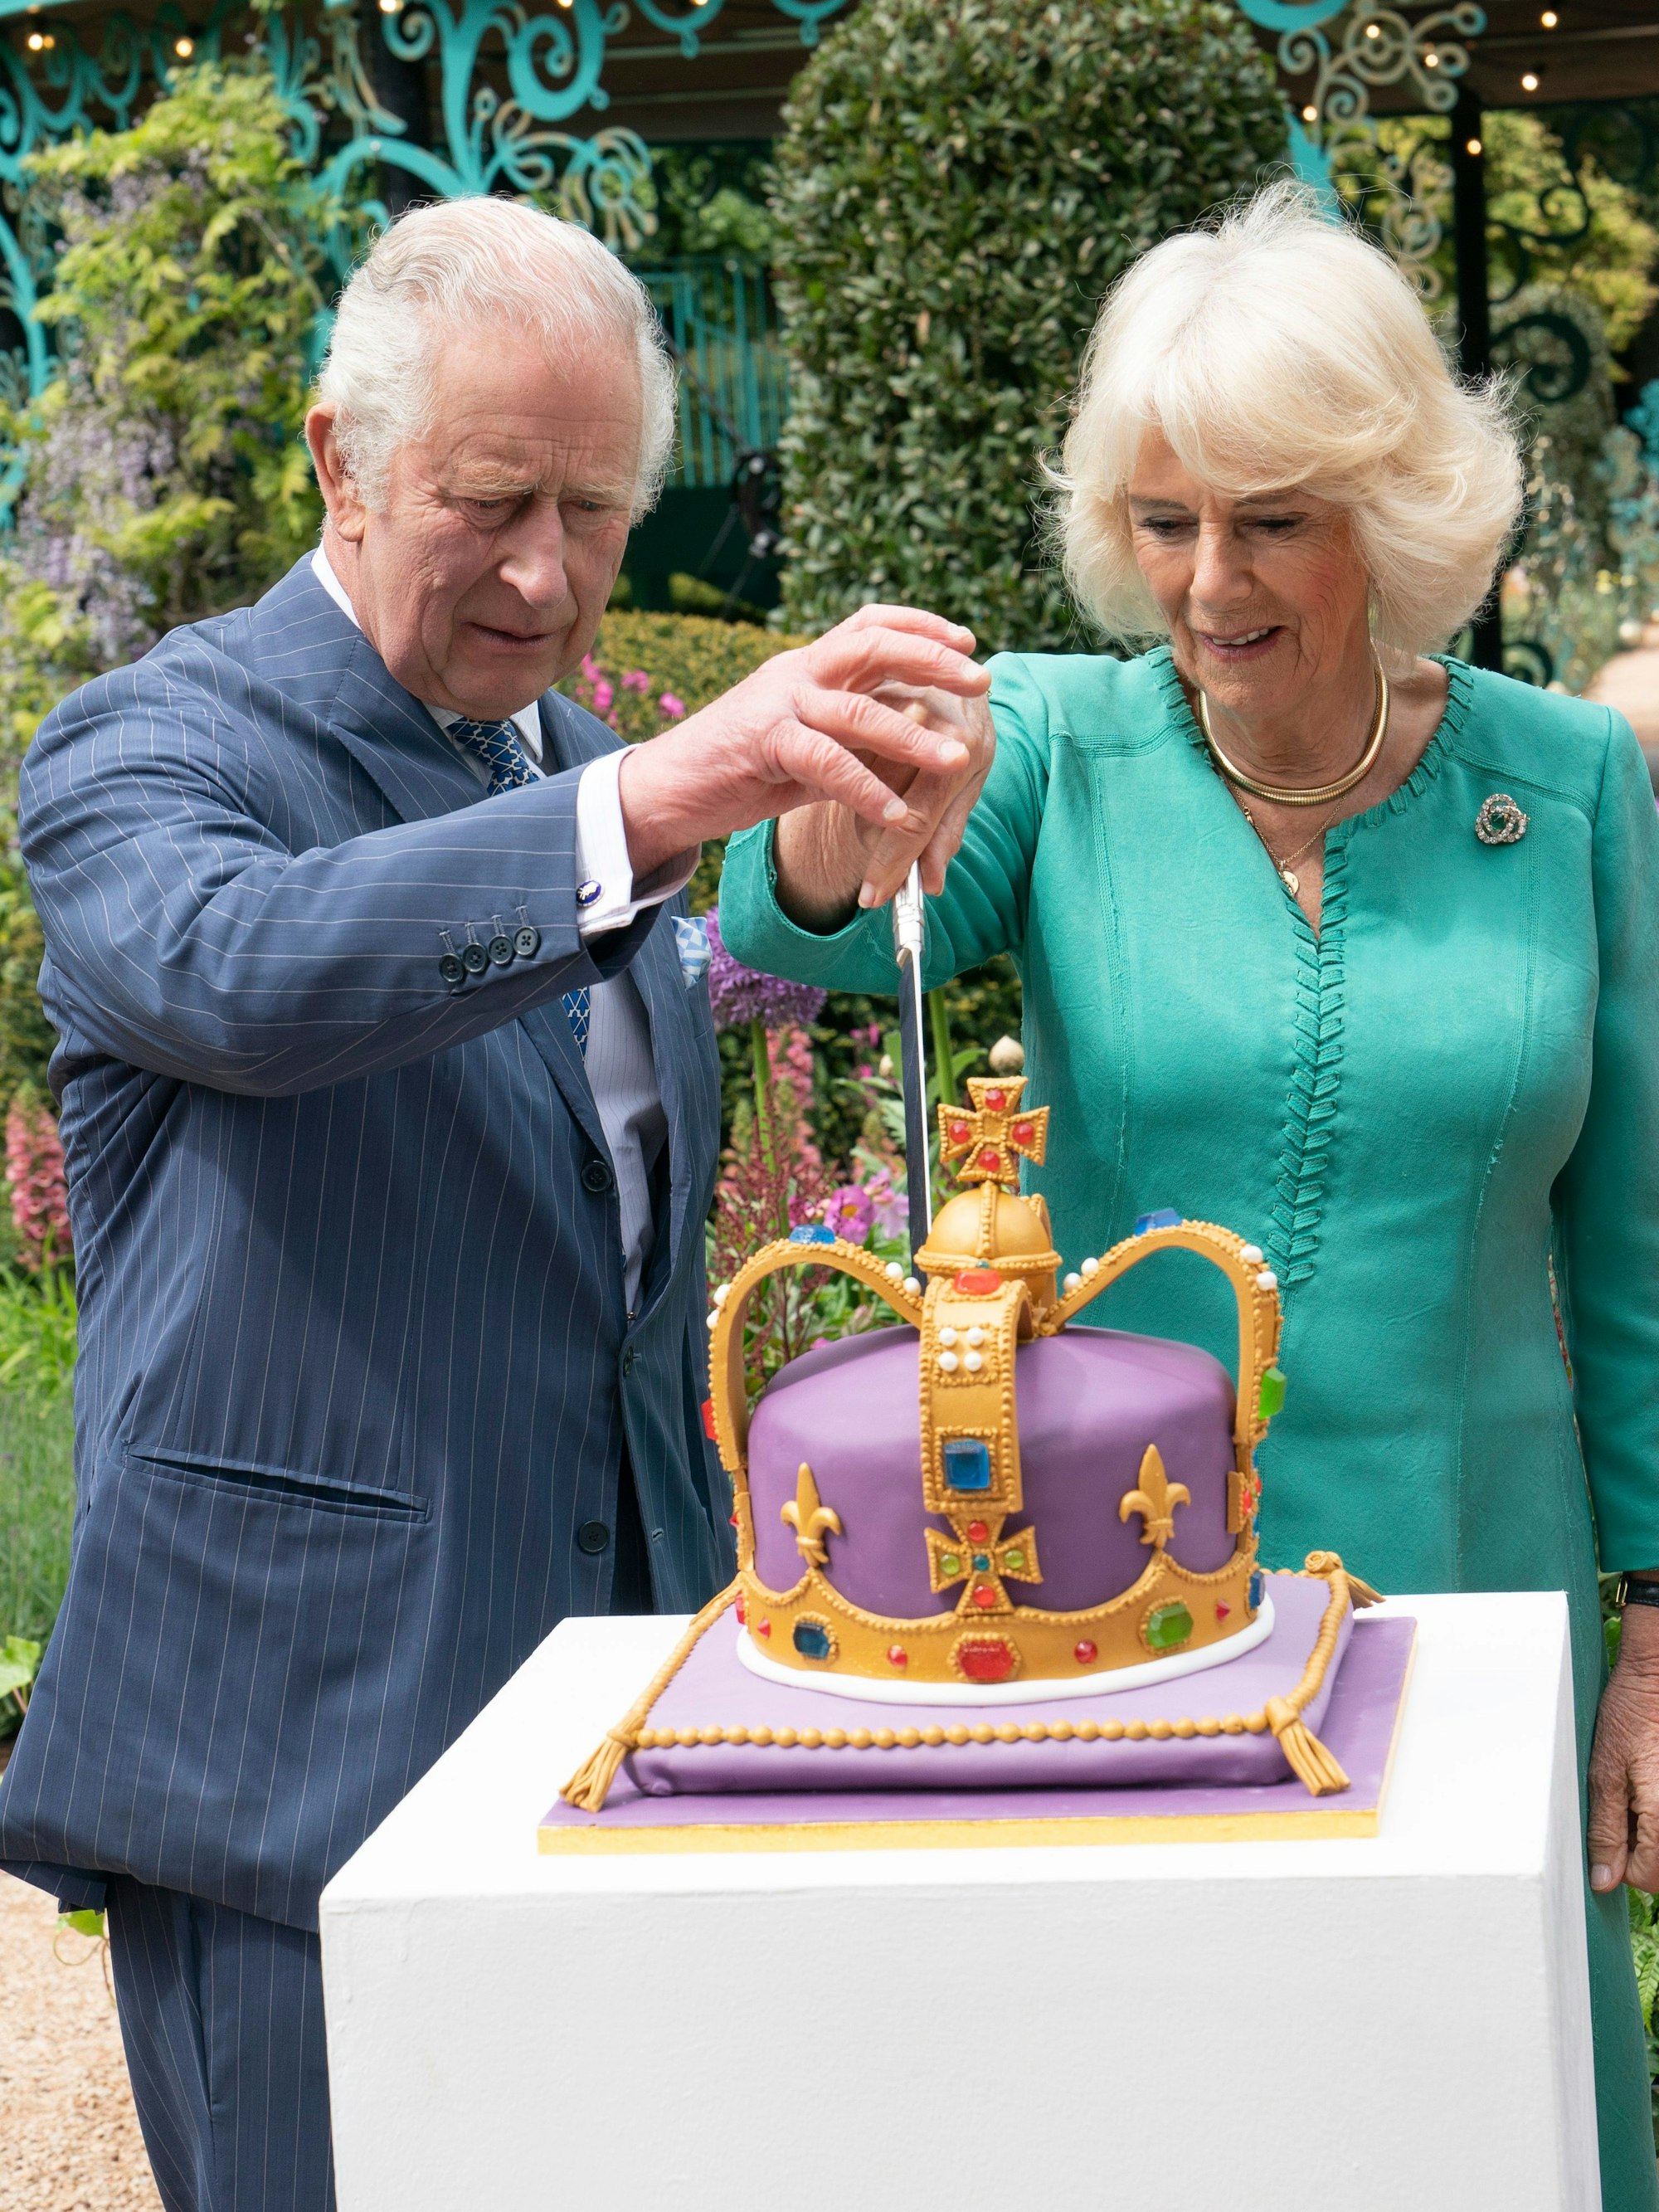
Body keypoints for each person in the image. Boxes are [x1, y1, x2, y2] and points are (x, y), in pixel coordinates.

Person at [0, 197, 988, 2212]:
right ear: (338, 463)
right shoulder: (145, 747)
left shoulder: (573, 761)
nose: (550, 572)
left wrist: (793, 863)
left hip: (632, 1739)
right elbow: (245, 973)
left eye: (599, 508)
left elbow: (591, 1208)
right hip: (304, 1783)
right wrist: (659, 801)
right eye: (492, 499)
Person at [718, 183, 1659, 2207]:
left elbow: (1640, 1235)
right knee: (1174, 2109)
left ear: (1389, 515)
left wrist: (1654, 1629)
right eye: (1164, 523)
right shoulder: (1054, 743)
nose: (1206, 580)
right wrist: (824, 827)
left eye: (1271, 520)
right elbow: (817, 931)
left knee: (1484, 2112)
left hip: (1490, 1585)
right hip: (1132, 1608)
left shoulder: (1569, 781)